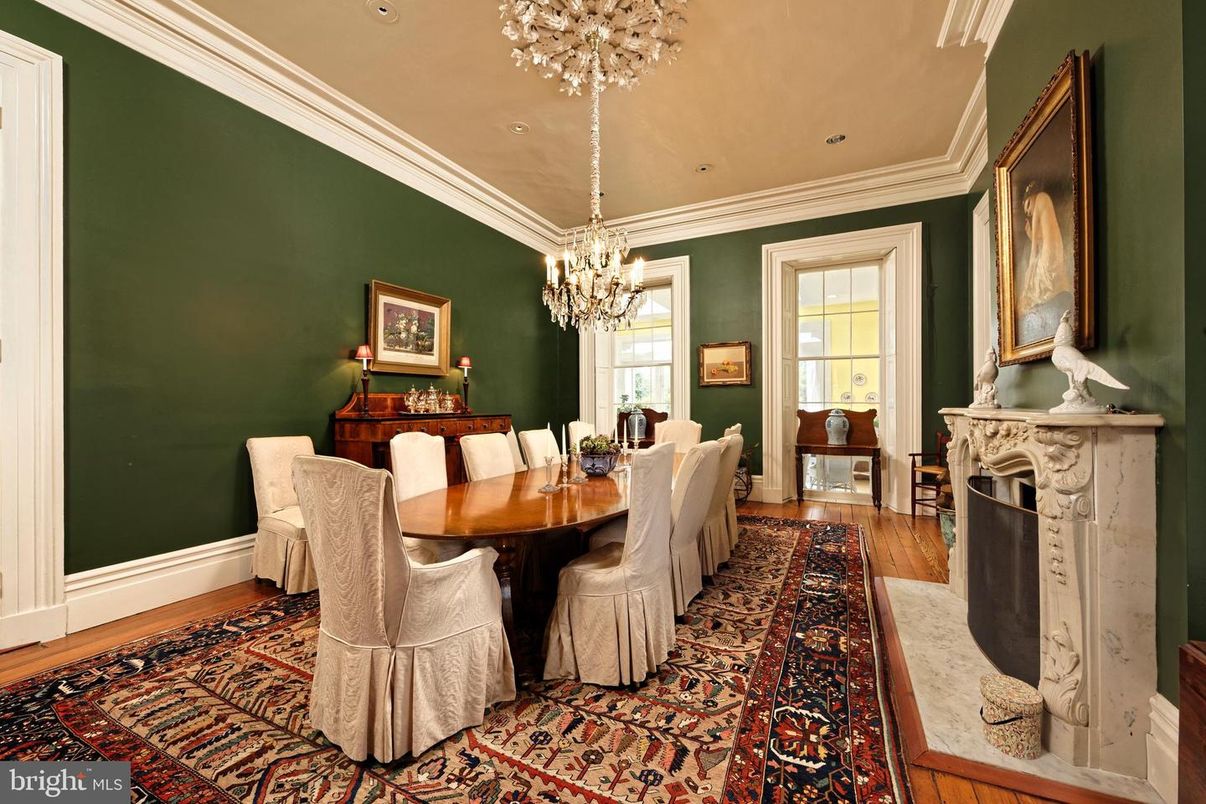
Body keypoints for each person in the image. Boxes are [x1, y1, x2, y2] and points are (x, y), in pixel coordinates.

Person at [1019, 181, 1073, 311]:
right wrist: (1032, 235)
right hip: (1055, 251)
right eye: (1027, 213)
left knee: (1031, 284)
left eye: (1028, 205)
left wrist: (1028, 278)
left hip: (1049, 255)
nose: (1029, 212)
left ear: (1032, 195)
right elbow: (1043, 239)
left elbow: (1034, 249)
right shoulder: (1045, 200)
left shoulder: (1040, 199)